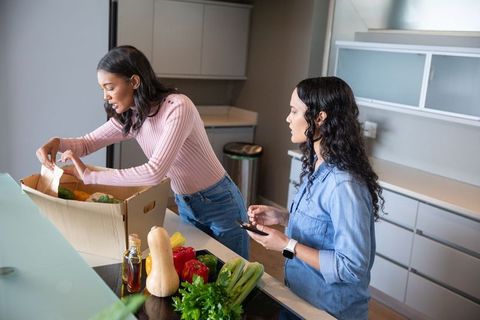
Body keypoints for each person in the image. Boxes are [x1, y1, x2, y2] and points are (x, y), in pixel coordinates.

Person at [36, 45, 249, 259]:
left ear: (134, 82)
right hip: (185, 204)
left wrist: (91, 176)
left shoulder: (177, 107)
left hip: (221, 203)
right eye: (102, 89)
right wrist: (56, 143)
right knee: (203, 271)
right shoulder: (134, 116)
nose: (105, 96)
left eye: (110, 87)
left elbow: (154, 172)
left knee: (235, 275)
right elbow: (86, 143)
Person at [247, 77, 383, 319]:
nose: (288, 118)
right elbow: (323, 228)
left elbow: (351, 267)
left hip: (330, 310)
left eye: (294, 111)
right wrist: (282, 217)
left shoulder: (344, 184)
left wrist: (287, 245)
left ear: (319, 118)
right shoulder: (318, 164)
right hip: (300, 298)